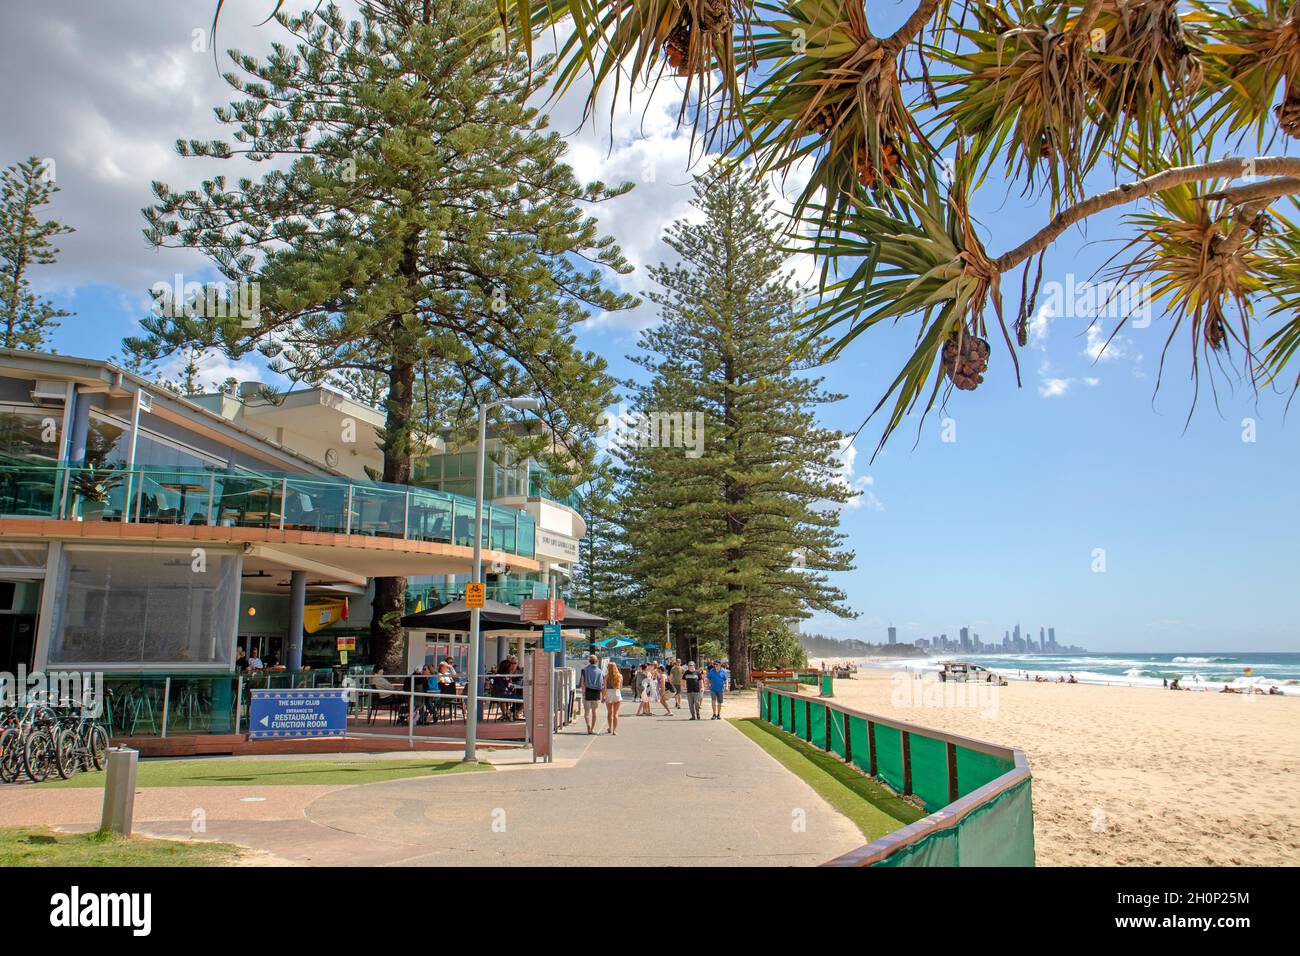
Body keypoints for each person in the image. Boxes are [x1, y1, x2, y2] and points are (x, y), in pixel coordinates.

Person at [579, 654, 604, 734]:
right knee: (594, 711)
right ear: (596, 661)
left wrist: (583, 691)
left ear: (589, 661)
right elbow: (601, 684)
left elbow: (582, 683)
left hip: (587, 692)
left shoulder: (584, 670)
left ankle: (588, 726)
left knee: (586, 712)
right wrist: (602, 694)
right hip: (596, 692)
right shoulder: (600, 671)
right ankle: (592, 728)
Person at [603, 660, 623, 734]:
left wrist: (603, 697)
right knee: (616, 713)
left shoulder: (606, 676)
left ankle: (610, 728)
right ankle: (614, 730)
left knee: (609, 713)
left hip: (609, 693)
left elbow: (604, 688)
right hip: (617, 693)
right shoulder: (620, 676)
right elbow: (621, 687)